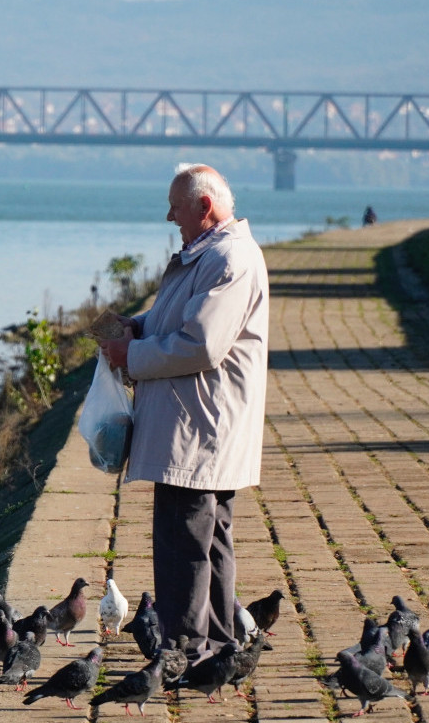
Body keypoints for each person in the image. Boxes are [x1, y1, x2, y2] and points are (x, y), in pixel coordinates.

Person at [100, 163, 269, 661]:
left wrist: (130, 357)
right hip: (197, 426)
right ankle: (215, 646)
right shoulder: (209, 255)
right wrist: (136, 325)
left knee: (185, 548)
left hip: (197, 430)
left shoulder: (229, 257)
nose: (169, 214)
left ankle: (184, 650)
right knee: (208, 543)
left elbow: (201, 343)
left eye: (176, 205)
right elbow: (175, 316)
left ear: (203, 206)